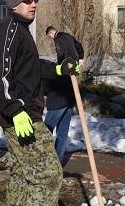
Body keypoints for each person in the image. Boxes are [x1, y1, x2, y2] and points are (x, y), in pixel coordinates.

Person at [0, 0, 79, 205]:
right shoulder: (8, 31)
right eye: (28, 0)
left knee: (23, 173)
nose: (34, 4)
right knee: (48, 175)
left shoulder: (20, 29)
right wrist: (15, 110)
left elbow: (30, 66)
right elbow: (1, 74)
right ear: (13, 5)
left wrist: (57, 69)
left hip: (26, 111)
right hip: (22, 116)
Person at [43, 26, 81, 164]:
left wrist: (62, 66)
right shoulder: (68, 35)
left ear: (51, 33)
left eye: (49, 37)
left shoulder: (59, 38)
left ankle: (45, 161)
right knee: (63, 133)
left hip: (60, 95)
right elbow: (79, 48)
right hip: (70, 94)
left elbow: (61, 56)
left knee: (45, 130)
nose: (51, 39)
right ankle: (57, 162)